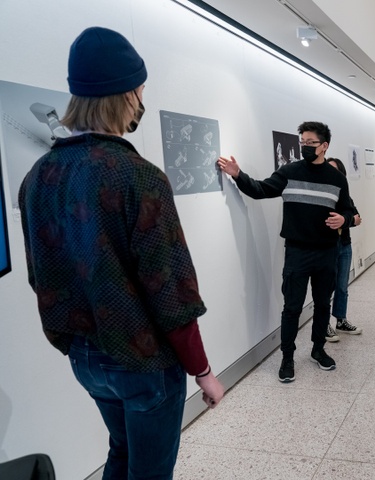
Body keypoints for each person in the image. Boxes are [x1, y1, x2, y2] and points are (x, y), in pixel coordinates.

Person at [18, 27, 224, 479]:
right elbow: (170, 291)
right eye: (141, 90)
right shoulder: (139, 177)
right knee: (149, 470)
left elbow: (40, 275)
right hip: (143, 361)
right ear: (128, 95)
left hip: (85, 358)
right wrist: (203, 371)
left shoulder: (37, 177)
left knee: (121, 453)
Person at [217, 121, 354, 383]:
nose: (305, 147)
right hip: (297, 252)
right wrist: (238, 175)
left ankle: (317, 349)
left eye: (310, 143)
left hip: (326, 251)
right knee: (292, 307)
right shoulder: (289, 172)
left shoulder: (337, 178)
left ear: (324, 146)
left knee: (323, 304)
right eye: (302, 142)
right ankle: (287, 357)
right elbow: (260, 190)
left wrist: (343, 220)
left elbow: (348, 209)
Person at [324, 157, 363, 342]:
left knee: (342, 286)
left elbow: (357, 218)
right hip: (326, 247)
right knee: (326, 287)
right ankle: (323, 324)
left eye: (335, 171)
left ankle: (340, 320)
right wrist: (348, 219)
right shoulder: (320, 196)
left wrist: (345, 220)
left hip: (344, 245)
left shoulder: (345, 197)